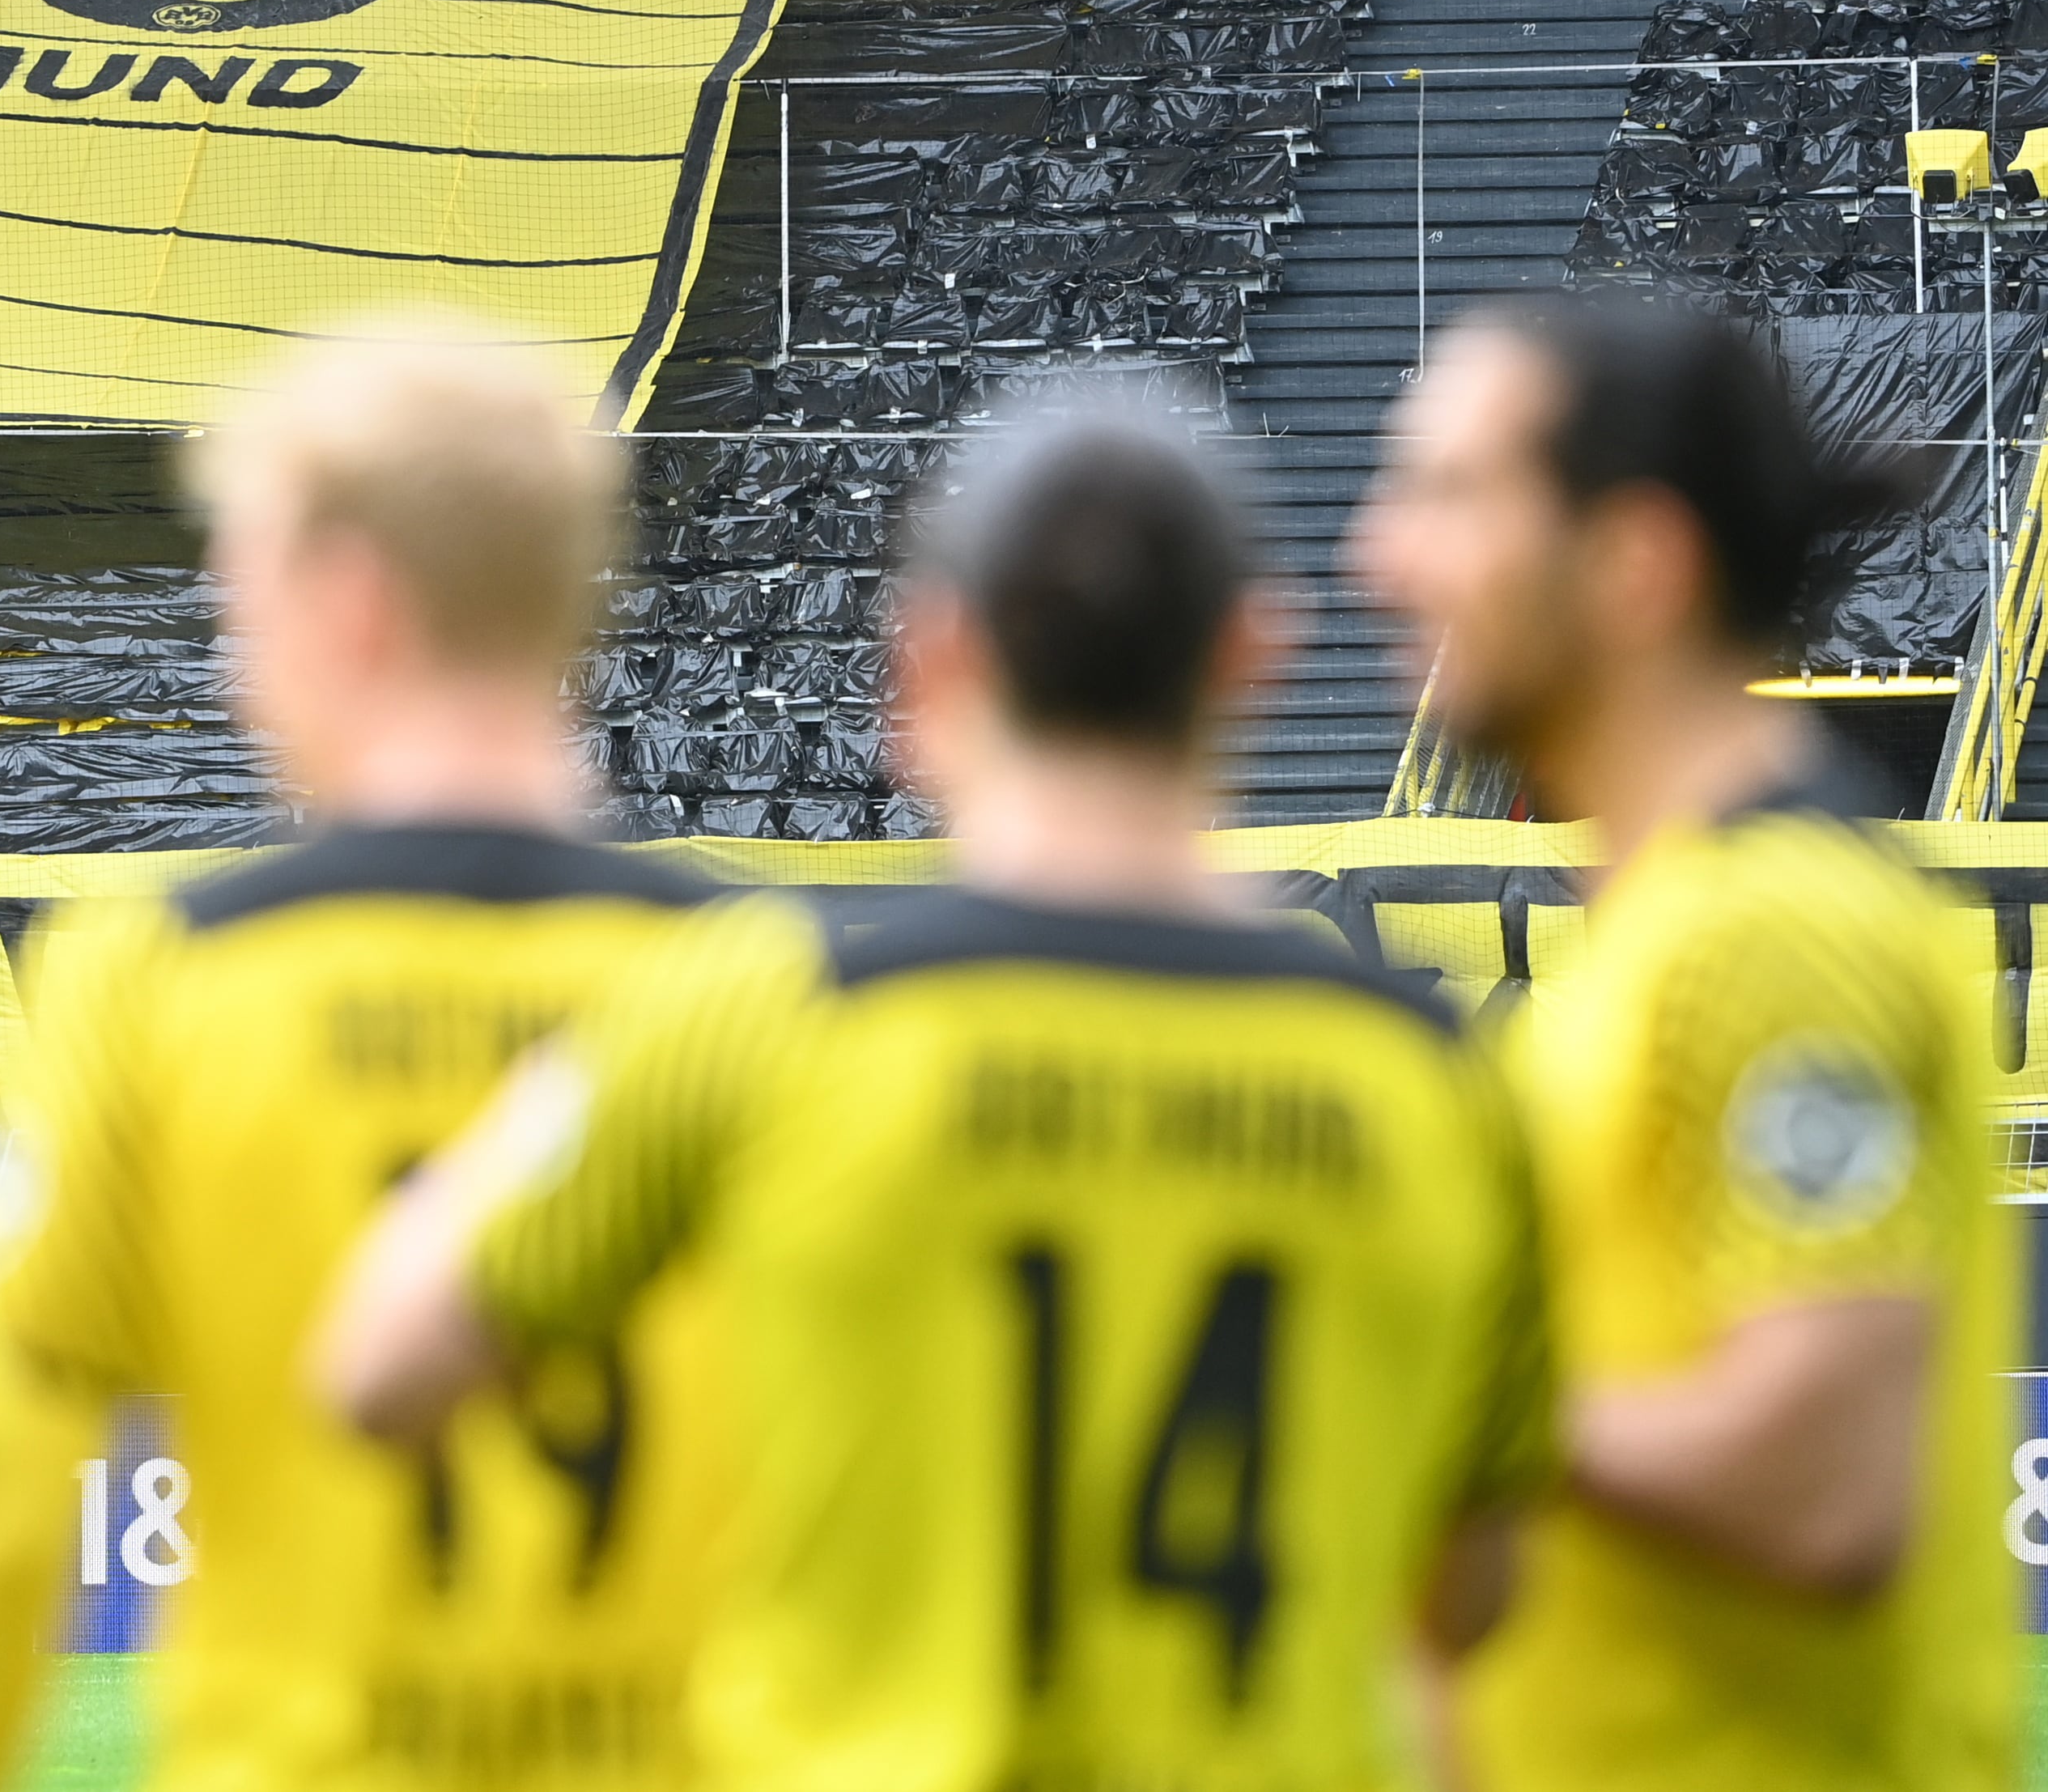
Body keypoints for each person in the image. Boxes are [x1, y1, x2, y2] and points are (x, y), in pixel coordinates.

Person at [321, 405, 1552, 1792]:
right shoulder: (1438, 1081)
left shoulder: (762, 1006)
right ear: (1251, 656)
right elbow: (1474, 1596)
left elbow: (379, 1365)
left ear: (931, 663)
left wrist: (586, 1078)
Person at [0, 319, 732, 1792]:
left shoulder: (155, 982)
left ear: (350, 606)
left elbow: (1, 1510)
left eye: (243, 599)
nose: (234, 661)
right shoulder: (755, 993)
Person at [1350, 296, 2016, 1792]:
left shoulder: (1777, 935)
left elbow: (1825, 1479)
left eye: (1450, 496)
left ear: (1638, 565)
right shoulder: (1663, 938)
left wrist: (1429, 1400)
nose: (1376, 557)